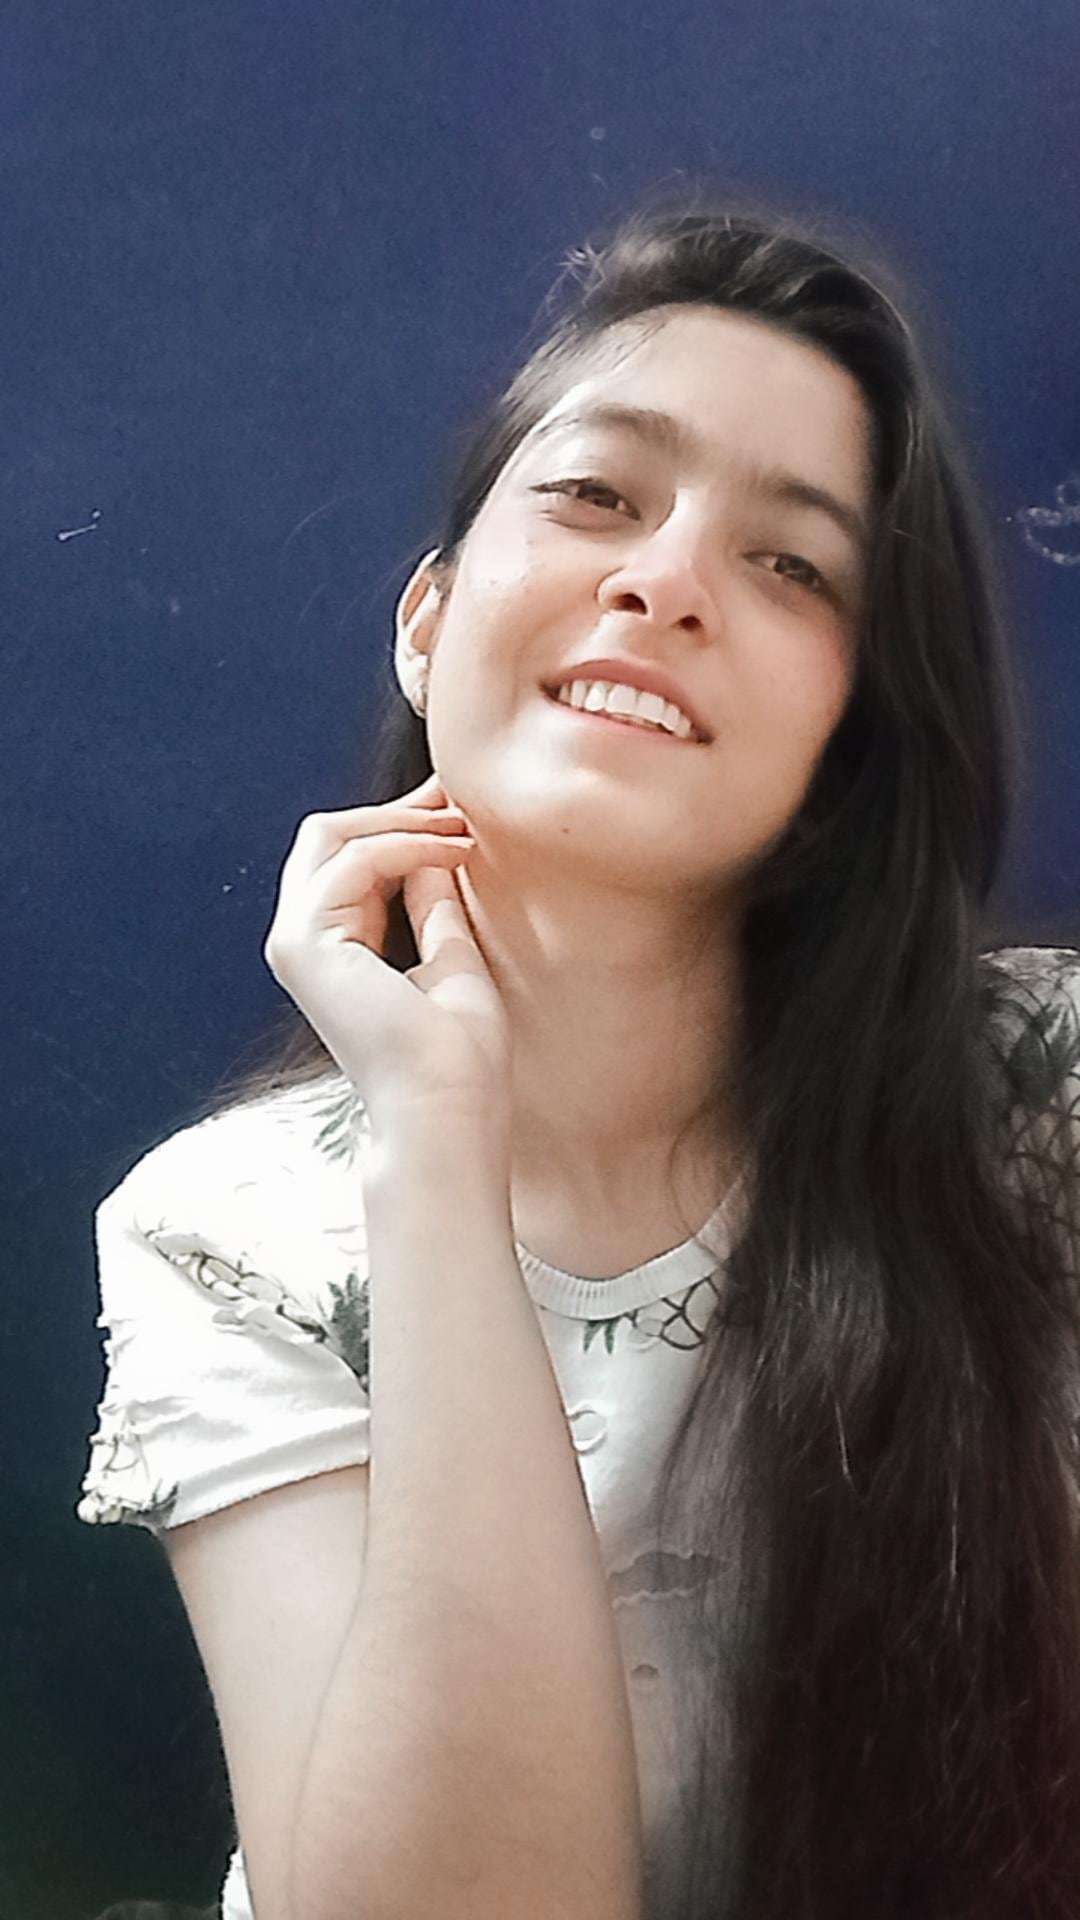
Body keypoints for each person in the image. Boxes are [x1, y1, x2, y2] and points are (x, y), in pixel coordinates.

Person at [76, 180, 1080, 1920]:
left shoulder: (1041, 1100)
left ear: (848, 734)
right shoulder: (223, 1229)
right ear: (428, 619)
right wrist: (432, 1136)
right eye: (597, 494)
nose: (665, 580)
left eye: (792, 563)